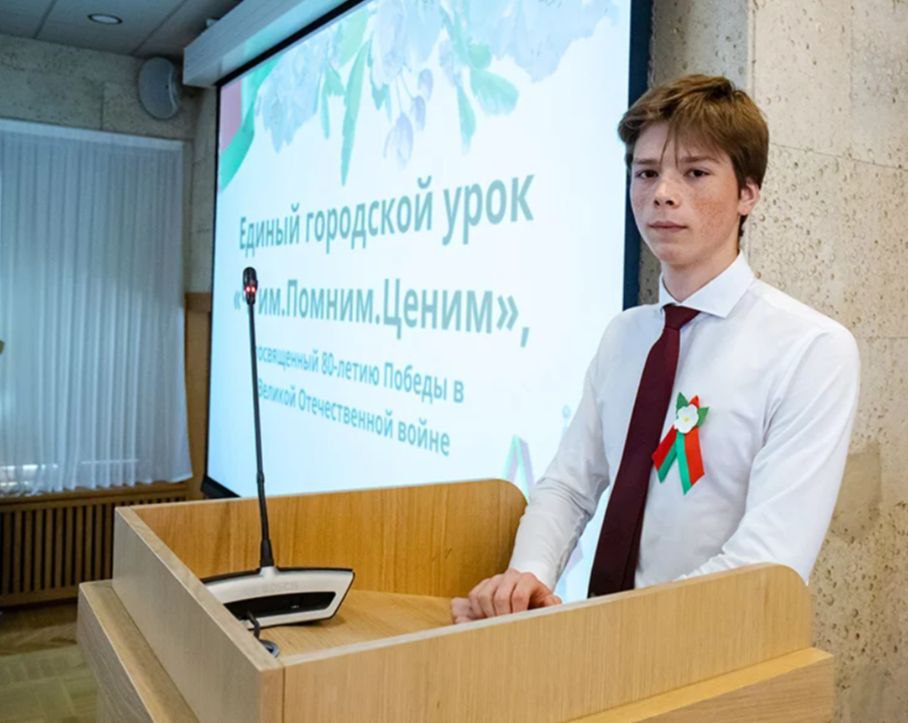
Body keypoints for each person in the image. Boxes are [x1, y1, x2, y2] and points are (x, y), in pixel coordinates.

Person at [451, 74, 860, 624]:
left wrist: (623, 630)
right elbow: (570, 486)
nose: (663, 192)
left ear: (748, 192)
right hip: (603, 643)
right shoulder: (625, 335)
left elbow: (768, 561)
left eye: (695, 172)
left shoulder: (811, 350)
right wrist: (528, 577)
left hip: (715, 647)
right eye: (646, 173)